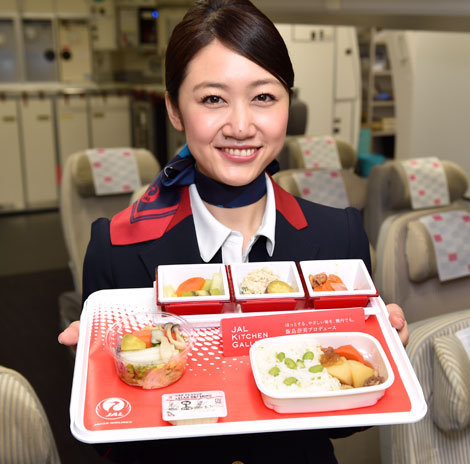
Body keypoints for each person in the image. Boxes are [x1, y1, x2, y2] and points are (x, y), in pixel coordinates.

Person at [59, 0, 408, 462]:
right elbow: (113, 437)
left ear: (288, 104)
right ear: (175, 110)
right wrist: (104, 372)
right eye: (212, 99)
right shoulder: (118, 246)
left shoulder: (338, 236)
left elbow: (347, 425)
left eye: (263, 97)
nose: (241, 126)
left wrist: (378, 362)